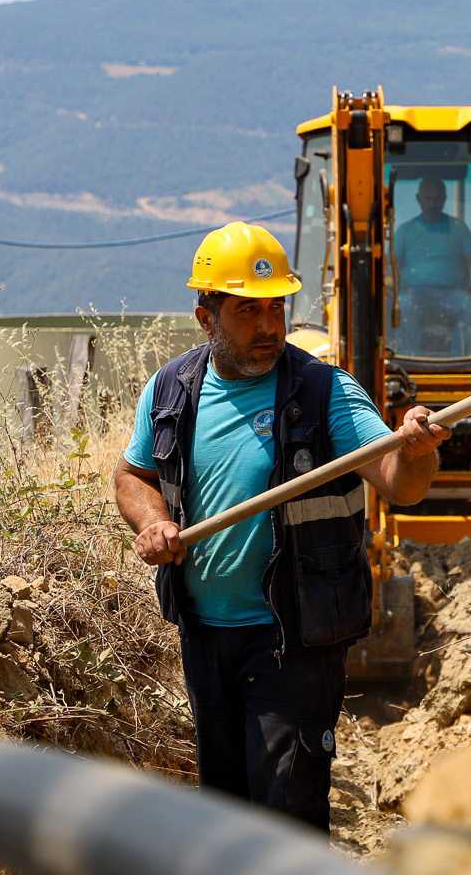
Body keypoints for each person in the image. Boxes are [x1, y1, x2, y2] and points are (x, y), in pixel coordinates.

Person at [113, 221, 448, 832]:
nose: (269, 326)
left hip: (294, 640)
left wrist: (417, 448)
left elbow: (402, 484)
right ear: (205, 316)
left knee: (285, 812)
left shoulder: (325, 393)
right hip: (205, 636)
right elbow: (132, 476)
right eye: (248, 311)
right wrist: (154, 521)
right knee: (226, 810)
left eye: (276, 308)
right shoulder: (171, 390)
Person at [391, 176, 471, 354]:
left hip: (452, 294)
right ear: (419, 199)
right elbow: (390, 265)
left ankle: (460, 362)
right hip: (414, 294)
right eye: (428, 199)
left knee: (470, 306)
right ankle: (413, 361)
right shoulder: (406, 231)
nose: (432, 204)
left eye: (437, 199)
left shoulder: (458, 228)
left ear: (444, 199)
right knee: (403, 305)